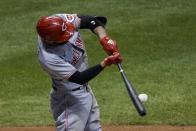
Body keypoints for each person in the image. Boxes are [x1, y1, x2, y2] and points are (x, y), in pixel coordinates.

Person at [36, 13, 122, 131]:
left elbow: (92, 21)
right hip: (69, 99)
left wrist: (104, 39)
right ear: (49, 40)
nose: (68, 36)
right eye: (62, 37)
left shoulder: (60, 21)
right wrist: (106, 62)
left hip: (86, 92)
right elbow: (79, 78)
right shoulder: (48, 58)